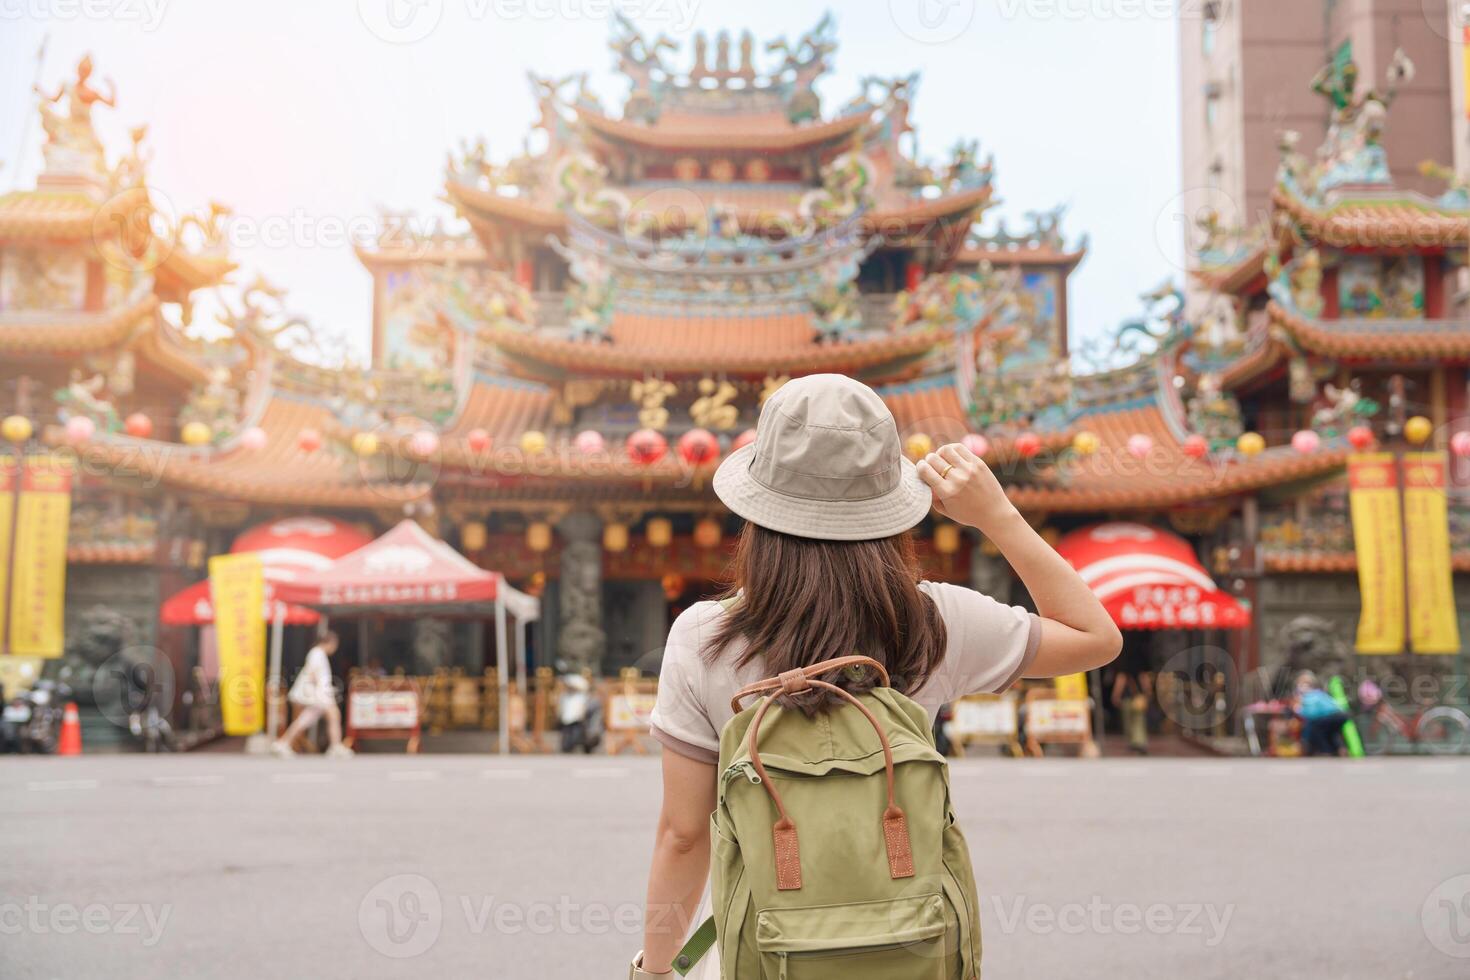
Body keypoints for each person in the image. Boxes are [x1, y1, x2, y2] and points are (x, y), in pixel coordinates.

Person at [630, 374, 1122, 978]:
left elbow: (683, 836)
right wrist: (997, 515)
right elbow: (1098, 639)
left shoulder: (705, 636)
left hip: (763, 953)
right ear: (889, 503)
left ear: (757, 509)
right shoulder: (937, 622)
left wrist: (656, 971)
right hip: (905, 945)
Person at [273, 631, 353, 758]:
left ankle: (283, 743)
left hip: (318, 692)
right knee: (332, 715)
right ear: (330, 643)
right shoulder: (317, 653)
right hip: (317, 693)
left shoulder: (317, 653)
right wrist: (323, 691)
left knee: (307, 719)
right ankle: (335, 746)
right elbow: (314, 674)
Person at [1293, 670, 1347, 757]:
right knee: (1331, 732)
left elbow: (1312, 714)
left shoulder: (1309, 695)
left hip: (1334, 715)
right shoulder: (1318, 693)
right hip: (1341, 714)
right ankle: (1340, 750)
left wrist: (1299, 710)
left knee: (1316, 729)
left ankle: (1326, 751)